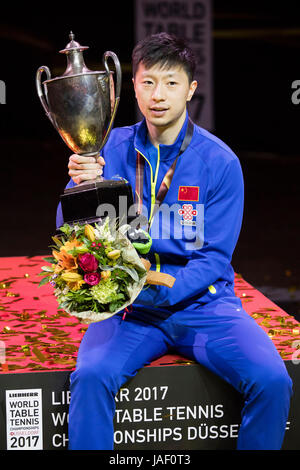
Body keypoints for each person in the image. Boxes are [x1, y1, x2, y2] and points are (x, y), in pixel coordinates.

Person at [56, 33, 292, 450]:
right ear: (133, 87)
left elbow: (214, 258)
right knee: (91, 378)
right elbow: (68, 233)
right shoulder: (108, 146)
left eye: (171, 83)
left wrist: (159, 292)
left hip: (205, 305)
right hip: (128, 312)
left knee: (273, 382)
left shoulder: (219, 162)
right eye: (148, 83)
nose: (158, 95)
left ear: (191, 90)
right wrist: (79, 188)